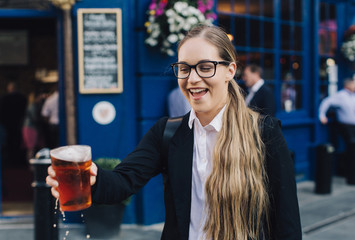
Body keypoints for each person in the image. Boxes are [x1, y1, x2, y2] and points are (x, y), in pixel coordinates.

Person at [47, 25, 301, 240]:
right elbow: (123, 182)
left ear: (230, 71)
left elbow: (287, 222)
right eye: (184, 68)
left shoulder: (264, 132)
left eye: (204, 67)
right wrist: (92, 179)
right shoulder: (168, 132)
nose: (192, 79)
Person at [318, 77, 355, 172]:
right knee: (351, 147)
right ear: (348, 85)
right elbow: (326, 102)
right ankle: (347, 170)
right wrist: (322, 115)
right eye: (353, 84)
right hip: (346, 125)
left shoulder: (354, 96)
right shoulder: (340, 96)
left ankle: (354, 170)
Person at [0, 81, 27, 167]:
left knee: (9, 142)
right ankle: (17, 160)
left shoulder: (4, 98)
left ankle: (11, 161)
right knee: (17, 142)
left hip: (8, 124)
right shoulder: (22, 98)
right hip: (17, 124)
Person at [41, 85, 59, 149]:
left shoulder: (50, 100)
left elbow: (45, 114)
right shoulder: (64, 98)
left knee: (54, 146)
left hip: (52, 124)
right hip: (62, 124)